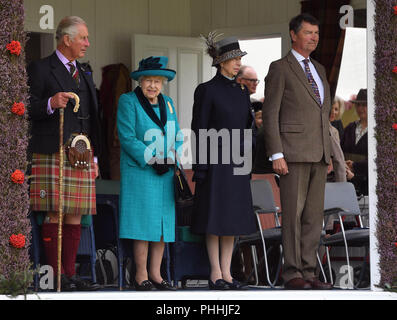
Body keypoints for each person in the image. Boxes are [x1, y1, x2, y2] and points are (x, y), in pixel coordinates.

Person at [27, 16, 101, 291]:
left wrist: (94, 159)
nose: (87, 43)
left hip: (80, 153)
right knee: (55, 213)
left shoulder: (84, 72)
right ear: (66, 39)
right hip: (51, 150)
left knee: (76, 214)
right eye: (83, 38)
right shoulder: (41, 68)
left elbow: (92, 118)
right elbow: (25, 106)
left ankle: (69, 274)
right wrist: (49, 102)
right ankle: (55, 277)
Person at [262, 13, 333, 290]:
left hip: (319, 154)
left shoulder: (320, 69)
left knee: (313, 218)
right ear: (293, 34)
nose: (313, 37)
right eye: (308, 33)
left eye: (316, 33)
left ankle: (309, 271)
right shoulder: (280, 67)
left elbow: (322, 114)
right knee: (292, 216)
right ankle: (292, 273)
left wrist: (328, 153)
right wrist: (276, 154)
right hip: (291, 154)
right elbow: (270, 114)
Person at [191, 35, 257, 290]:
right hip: (215, 163)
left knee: (231, 220)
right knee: (214, 218)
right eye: (235, 59)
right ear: (221, 62)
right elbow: (199, 129)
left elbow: (247, 130)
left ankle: (228, 273)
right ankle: (215, 272)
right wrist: (202, 167)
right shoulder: (206, 90)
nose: (238, 63)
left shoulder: (241, 91)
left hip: (237, 161)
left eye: (240, 58)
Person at [117, 56, 182, 291]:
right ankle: (141, 274)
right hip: (141, 172)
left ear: (163, 83)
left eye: (157, 81)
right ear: (140, 81)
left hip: (165, 172)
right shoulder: (128, 101)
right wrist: (151, 158)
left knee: (163, 226)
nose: (153, 86)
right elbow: (127, 137)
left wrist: (173, 154)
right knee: (142, 224)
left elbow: (177, 134)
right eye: (148, 81)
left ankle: (157, 273)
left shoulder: (169, 103)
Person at [341, 89, 368, 196]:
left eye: (364, 105)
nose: (360, 108)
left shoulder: (376, 131)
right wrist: (344, 165)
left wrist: (355, 166)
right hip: (346, 180)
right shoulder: (350, 128)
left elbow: (378, 160)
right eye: (358, 105)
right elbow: (340, 151)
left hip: (366, 184)